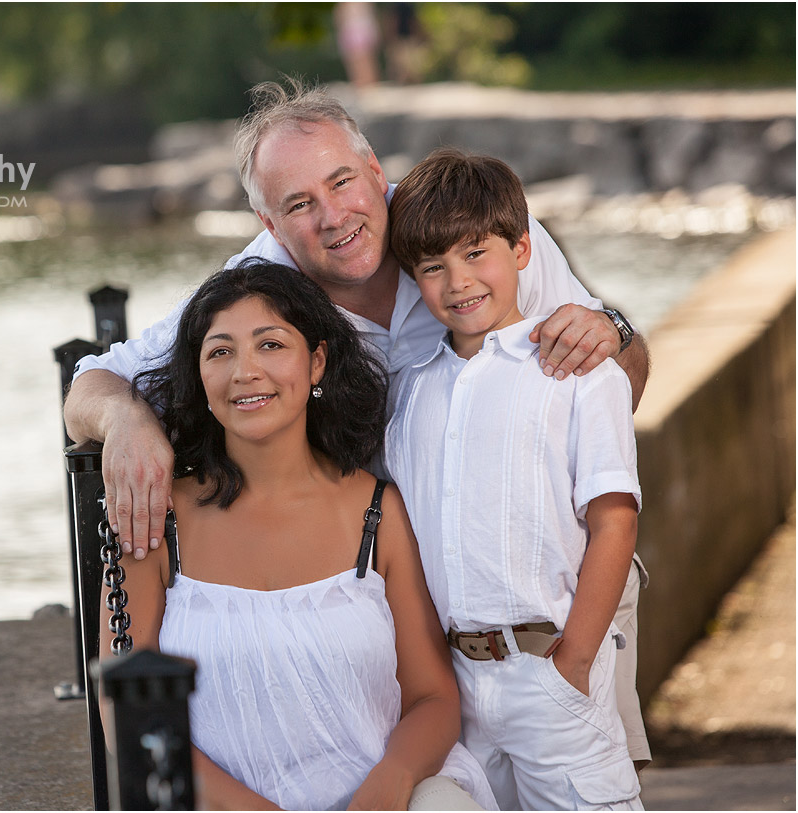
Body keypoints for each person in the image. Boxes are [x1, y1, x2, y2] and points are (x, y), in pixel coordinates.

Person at [65, 79, 652, 768]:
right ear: (268, 223)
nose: (333, 215)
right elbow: (90, 384)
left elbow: (626, 376)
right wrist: (128, 419)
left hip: (556, 594)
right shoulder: (259, 291)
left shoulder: (461, 229)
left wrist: (609, 330)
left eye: (342, 181)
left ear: (377, 171)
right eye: (299, 204)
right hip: (423, 610)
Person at [101, 258, 497, 810]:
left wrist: (388, 786)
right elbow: (125, 709)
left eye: (270, 344)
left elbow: (433, 697)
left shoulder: (378, 513)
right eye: (220, 351)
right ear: (200, 378)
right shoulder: (153, 519)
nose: (245, 371)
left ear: (316, 362)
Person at [384, 148, 642, 810]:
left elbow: (615, 518)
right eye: (433, 267)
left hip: (547, 672)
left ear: (523, 249)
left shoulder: (579, 371)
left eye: (476, 254)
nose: (458, 281)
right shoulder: (411, 393)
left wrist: (573, 662)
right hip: (453, 691)